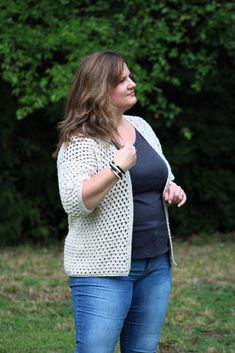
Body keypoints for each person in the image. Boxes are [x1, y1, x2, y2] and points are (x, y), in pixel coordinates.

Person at [56, 50, 187, 353]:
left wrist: (171, 187)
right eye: (122, 80)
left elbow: (160, 174)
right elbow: (75, 202)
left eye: (130, 76)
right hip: (103, 271)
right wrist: (116, 168)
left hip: (156, 265)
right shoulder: (80, 140)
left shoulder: (141, 126)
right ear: (100, 89)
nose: (132, 83)